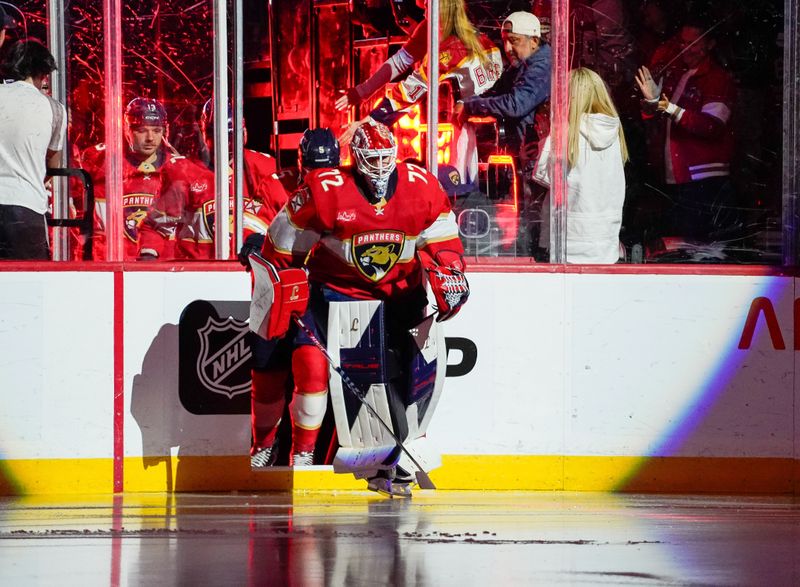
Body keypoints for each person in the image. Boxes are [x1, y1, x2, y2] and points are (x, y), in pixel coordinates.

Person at [258, 120, 468, 496]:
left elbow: (444, 236)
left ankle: (403, 453)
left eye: (386, 157)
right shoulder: (324, 190)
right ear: (355, 158)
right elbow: (280, 244)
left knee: (420, 368)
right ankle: (314, 458)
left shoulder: (421, 185)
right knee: (323, 372)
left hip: (399, 295)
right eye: (371, 158)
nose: (380, 167)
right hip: (337, 295)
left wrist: (449, 269)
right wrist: (285, 281)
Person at [238, 128, 341, 469]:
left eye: (326, 168)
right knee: (267, 369)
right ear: (301, 164)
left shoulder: (348, 190)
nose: (318, 176)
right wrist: (254, 240)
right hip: (277, 290)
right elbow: (256, 226)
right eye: (312, 167)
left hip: (322, 295)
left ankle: (304, 451)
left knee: (312, 370)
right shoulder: (274, 184)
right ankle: (264, 445)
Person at [342, 0, 503, 187]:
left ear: (437, 9)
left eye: (426, 7)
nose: (424, 13)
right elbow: (401, 61)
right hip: (486, 126)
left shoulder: (448, 51)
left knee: (455, 185)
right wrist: (362, 92)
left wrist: (365, 123)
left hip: (470, 135)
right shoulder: (470, 35)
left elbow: (406, 95)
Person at [138, 99, 284, 260]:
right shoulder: (183, 171)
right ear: (204, 133)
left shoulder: (266, 169)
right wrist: (148, 255)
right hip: (199, 274)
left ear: (244, 133)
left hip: (248, 273)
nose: (227, 143)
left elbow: (287, 223)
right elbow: (154, 227)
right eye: (219, 134)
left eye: (231, 134)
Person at [457, 11, 552, 256]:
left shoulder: (542, 64)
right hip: (527, 155)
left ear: (533, 40)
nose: (508, 48)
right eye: (506, 41)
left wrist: (471, 106)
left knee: (535, 218)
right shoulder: (523, 64)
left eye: (515, 41)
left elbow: (516, 104)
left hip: (538, 158)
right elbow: (497, 91)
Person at [634, 18, 736, 243]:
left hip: (704, 180)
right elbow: (656, 117)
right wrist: (651, 104)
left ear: (710, 44)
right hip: (677, 177)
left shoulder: (717, 79)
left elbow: (712, 126)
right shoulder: (679, 75)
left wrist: (668, 108)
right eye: (683, 42)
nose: (687, 49)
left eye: (695, 43)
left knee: (699, 249)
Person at [534, 68, 628, 263]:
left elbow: (544, 177)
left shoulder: (564, 134)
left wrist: (544, 137)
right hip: (605, 240)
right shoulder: (613, 132)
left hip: (570, 242)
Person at [79, 97, 190, 260]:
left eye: (156, 130)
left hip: (162, 269)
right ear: (126, 128)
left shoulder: (179, 168)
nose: (150, 138)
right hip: (110, 267)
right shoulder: (99, 161)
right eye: (142, 130)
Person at [0, 39, 65, 260]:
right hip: (25, 209)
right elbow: (53, 165)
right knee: (29, 288)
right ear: (43, 73)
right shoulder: (55, 109)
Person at [334, 0, 428, 112]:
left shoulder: (433, 26)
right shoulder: (431, 26)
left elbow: (399, 62)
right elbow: (400, 61)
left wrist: (361, 92)